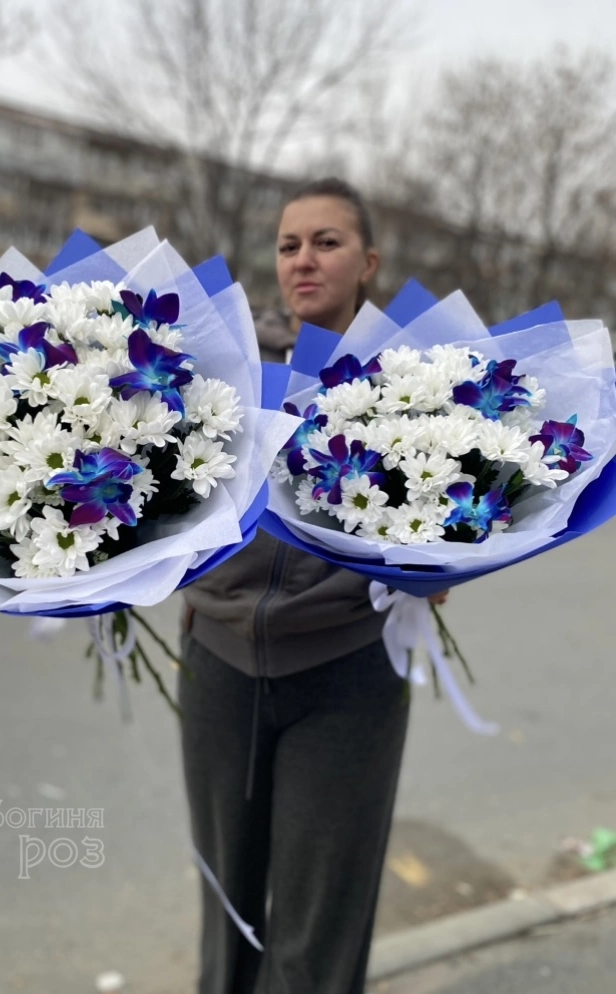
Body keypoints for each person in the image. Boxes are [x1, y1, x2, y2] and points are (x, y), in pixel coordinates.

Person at [179, 178, 446, 994]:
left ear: (368, 262)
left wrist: (442, 558)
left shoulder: (423, 382)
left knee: (318, 931)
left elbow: (460, 505)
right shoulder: (219, 363)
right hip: (220, 660)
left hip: (347, 672)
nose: (303, 259)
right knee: (227, 910)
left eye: (327, 242)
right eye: (289, 244)